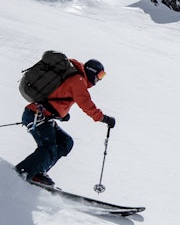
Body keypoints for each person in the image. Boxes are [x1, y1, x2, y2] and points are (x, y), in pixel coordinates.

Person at [15, 58, 115, 187]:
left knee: (65, 142)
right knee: (48, 147)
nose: (99, 79)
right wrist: (104, 118)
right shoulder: (78, 81)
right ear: (91, 71)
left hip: (45, 117)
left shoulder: (77, 80)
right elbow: (86, 104)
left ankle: (38, 172)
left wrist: (62, 114)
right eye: (100, 75)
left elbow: (58, 96)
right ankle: (21, 173)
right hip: (36, 115)